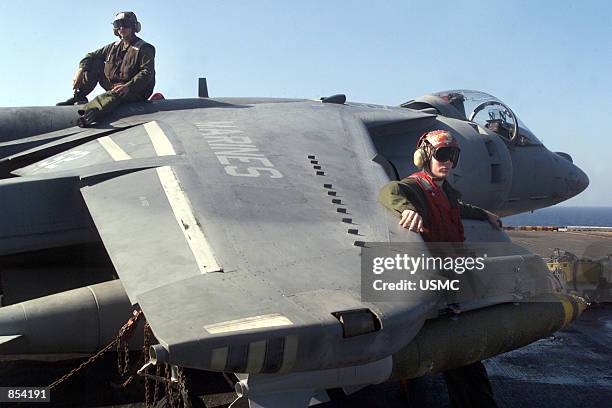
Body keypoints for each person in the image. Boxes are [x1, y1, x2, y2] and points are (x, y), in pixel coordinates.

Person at [378, 129, 500, 408]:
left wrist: (484, 214)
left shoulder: (445, 191)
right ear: (425, 156)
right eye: (442, 155)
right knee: (461, 358)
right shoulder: (415, 187)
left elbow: (456, 208)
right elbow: (389, 190)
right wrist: (405, 209)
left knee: (461, 360)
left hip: (454, 281)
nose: (448, 162)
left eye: (453, 156)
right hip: (436, 284)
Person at [57, 11, 155, 127]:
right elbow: (90, 56)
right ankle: (79, 96)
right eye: (118, 24)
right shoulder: (113, 47)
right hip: (114, 86)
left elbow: (147, 73)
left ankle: (89, 113)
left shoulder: (144, 48)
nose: (122, 27)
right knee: (94, 62)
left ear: (134, 26)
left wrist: (128, 86)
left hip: (135, 91)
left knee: (114, 95)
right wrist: (80, 71)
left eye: (126, 23)